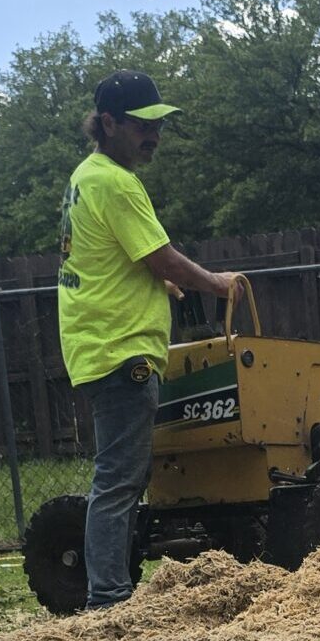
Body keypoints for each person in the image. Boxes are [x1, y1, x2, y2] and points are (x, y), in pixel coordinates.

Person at [58, 69, 238, 611]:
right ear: (108, 123)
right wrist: (216, 284)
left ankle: (108, 594)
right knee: (119, 478)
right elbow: (160, 254)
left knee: (120, 475)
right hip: (121, 348)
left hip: (96, 342)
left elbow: (101, 256)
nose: (152, 135)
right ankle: (108, 601)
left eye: (156, 124)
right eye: (141, 125)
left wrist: (151, 280)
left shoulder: (84, 177)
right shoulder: (116, 183)